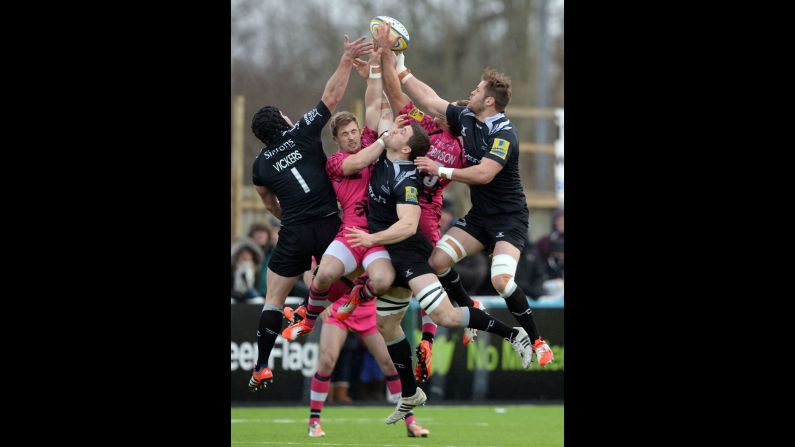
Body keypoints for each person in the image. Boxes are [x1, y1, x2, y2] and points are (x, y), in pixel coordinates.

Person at [344, 116, 534, 425]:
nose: (394, 128)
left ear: (405, 148)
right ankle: (410, 394)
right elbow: (375, 110)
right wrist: (379, 70)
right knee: (386, 324)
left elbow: (407, 225)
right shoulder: (383, 154)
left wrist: (371, 238)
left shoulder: (405, 179)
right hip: (391, 255)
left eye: (401, 130)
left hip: (410, 255)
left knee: (446, 317)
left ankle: (514, 334)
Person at [397, 36, 554, 367]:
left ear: (490, 102)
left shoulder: (504, 134)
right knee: (437, 262)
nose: (471, 92)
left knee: (501, 281)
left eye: (477, 90)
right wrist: (400, 68)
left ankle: (536, 340)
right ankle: (472, 306)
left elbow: (483, 174)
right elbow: (429, 99)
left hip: (509, 219)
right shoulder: (466, 117)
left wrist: (440, 169)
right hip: (481, 217)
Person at [247, 34, 373, 392]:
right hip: (329, 223)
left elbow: (267, 201)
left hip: (295, 228)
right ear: (283, 122)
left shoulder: (260, 165)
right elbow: (331, 96)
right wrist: (346, 59)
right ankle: (312, 308)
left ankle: (260, 366)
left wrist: (282, 217)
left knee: (273, 298)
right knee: (355, 274)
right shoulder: (301, 130)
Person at [279, 45, 405, 343]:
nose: (351, 137)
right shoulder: (336, 163)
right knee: (323, 275)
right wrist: (384, 141)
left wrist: (375, 68)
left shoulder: (369, 143)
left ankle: (355, 298)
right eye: (345, 134)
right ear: (336, 139)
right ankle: (308, 321)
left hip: (376, 235)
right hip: (349, 234)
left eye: (354, 131)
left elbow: (373, 103)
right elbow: (360, 161)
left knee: (383, 281)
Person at [300, 284, 430, 438]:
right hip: (338, 305)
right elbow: (313, 272)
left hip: (368, 309)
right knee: (327, 361)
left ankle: (411, 422)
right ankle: (314, 422)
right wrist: (320, 300)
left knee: (390, 364)